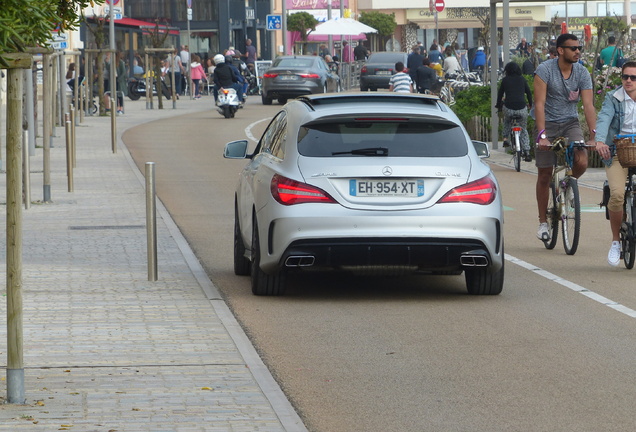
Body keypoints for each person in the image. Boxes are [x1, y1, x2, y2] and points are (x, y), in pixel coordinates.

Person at [533, 33, 597, 241]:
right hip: (548, 123)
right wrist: (542, 136)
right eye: (573, 48)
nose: (577, 51)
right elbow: (539, 105)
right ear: (560, 50)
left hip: (570, 123)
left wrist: (595, 136)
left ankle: (568, 188)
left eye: (579, 48)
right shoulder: (545, 70)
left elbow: (588, 106)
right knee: (544, 173)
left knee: (582, 160)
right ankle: (543, 221)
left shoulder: (582, 73)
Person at [594, 61, 636, 266]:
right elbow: (603, 119)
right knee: (618, 194)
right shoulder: (613, 98)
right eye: (625, 77)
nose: (628, 81)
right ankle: (616, 241)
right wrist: (600, 141)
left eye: (633, 77)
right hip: (617, 152)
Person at [495, 61, 533, 161]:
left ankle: (505, 139)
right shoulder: (522, 80)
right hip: (522, 109)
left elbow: (500, 95)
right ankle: (527, 152)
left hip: (509, 108)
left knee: (507, 121)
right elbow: (529, 93)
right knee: (523, 129)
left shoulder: (505, 80)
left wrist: (498, 105)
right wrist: (530, 104)